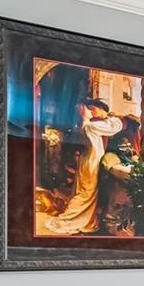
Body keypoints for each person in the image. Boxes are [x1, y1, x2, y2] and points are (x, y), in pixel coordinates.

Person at [43, 98, 124, 235]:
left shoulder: (86, 125)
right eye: (90, 109)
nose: (93, 112)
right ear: (84, 111)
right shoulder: (90, 126)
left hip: (86, 161)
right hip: (90, 163)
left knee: (85, 192)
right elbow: (116, 126)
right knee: (86, 194)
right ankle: (71, 218)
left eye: (93, 109)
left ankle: (86, 220)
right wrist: (112, 116)